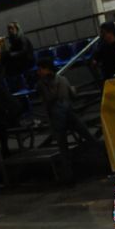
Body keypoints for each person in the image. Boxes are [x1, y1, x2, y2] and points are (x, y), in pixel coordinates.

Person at [35, 55, 98, 184]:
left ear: (46, 69)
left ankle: (69, 176)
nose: (39, 72)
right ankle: (103, 159)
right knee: (88, 136)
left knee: (63, 148)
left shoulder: (42, 85)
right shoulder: (62, 79)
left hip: (57, 117)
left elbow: (47, 100)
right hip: (69, 113)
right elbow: (72, 94)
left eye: (40, 69)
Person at [0, 21, 34, 88]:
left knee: (7, 65)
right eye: (9, 29)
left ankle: (10, 84)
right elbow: (11, 51)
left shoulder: (22, 38)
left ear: (17, 29)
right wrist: (3, 46)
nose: (10, 30)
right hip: (19, 60)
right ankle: (7, 81)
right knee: (4, 56)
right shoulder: (14, 39)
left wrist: (12, 55)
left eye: (12, 28)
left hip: (27, 60)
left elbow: (24, 51)